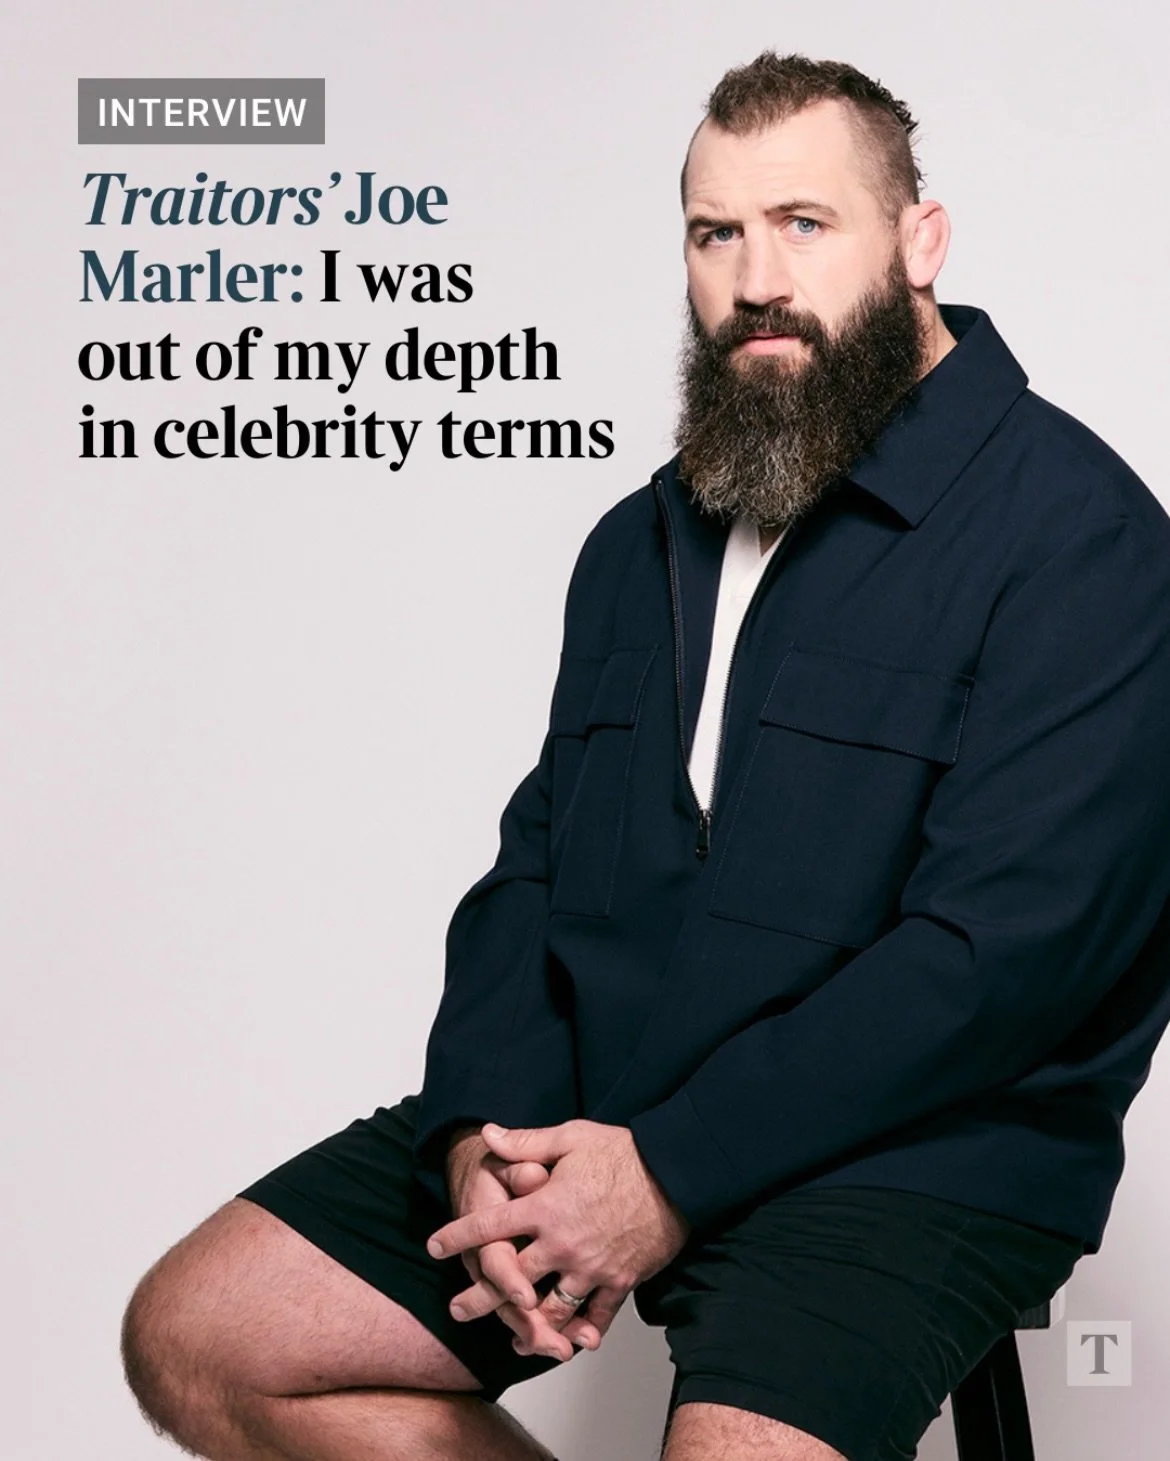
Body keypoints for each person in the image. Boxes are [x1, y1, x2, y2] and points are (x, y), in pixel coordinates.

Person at [120, 51, 1170, 1461]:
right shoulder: (643, 537)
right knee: (207, 1334)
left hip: (912, 1158)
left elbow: (1000, 962)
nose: (755, 279)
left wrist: (666, 1172)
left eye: (804, 223)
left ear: (918, 241)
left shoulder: (1080, 537)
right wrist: (482, 1130)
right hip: (613, 1107)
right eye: (713, 231)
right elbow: (538, 862)